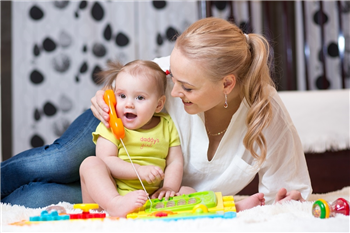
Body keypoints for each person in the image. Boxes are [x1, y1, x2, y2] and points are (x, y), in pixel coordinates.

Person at [0, 17, 311, 208]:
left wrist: (287, 203)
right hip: (120, 128)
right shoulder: (169, 74)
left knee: (38, 199)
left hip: (143, 192)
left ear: (227, 84)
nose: (173, 92)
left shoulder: (266, 114)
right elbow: (129, 86)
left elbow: (289, 192)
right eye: (173, 78)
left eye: (187, 88)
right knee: (61, 161)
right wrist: (109, 97)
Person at [80, 60, 184, 217]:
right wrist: (139, 171)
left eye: (140, 98)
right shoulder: (111, 125)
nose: (128, 104)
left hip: (152, 197)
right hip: (112, 193)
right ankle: (114, 204)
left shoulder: (167, 125)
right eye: (122, 96)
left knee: (188, 191)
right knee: (90, 164)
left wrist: (169, 188)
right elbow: (106, 160)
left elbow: (175, 162)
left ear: (158, 104)